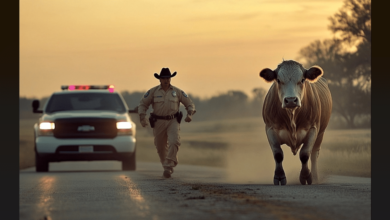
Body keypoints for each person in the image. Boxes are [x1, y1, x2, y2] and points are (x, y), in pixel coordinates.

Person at [138, 67, 196, 178]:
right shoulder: (153, 92)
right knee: (160, 146)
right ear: (159, 79)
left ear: (170, 79)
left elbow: (190, 104)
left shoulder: (177, 92)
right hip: (158, 121)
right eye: (164, 78)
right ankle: (166, 167)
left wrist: (190, 114)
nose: (166, 80)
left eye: (168, 78)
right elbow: (143, 104)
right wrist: (142, 117)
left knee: (174, 141)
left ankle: (169, 165)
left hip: (173, 121)